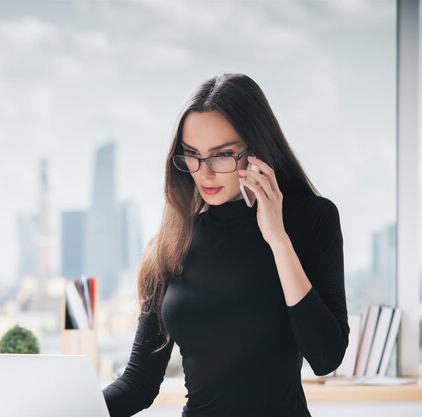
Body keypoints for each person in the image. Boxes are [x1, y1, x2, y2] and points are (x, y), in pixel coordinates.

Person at [101, 73, 349, 417]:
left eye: (222, 155)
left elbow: (326, 357)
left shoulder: (311, 219)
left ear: (257, 150)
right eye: (191, 154)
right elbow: (139, 383)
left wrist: (278, 239)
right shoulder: (171, 244)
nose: (204, 172)